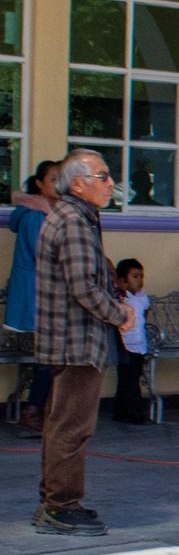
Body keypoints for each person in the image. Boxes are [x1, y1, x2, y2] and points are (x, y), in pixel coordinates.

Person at [32, 149, 132, 536]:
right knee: (71, 426)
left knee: (63, 424)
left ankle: (54, 502)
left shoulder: (74, 216)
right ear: (78, 183)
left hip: (70, 339)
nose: (110, 184)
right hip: (75, 341)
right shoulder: (73, 220)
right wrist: (120, 314)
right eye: (103, 176)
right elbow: (83, 287)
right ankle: (61, 506)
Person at [6, 159, 59, 438]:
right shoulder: (36, 216)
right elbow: (45, 257)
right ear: (40, 184)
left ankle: (40, 408)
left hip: (37, 293)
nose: (58, 185)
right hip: (38, 295)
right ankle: (35, 409)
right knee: (50, 356)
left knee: (49, 355)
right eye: (53, 179)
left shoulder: (39, 212)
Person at [112, 258, 150, 425]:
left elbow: (144, 314)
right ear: (123, 280)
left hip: (139, 343)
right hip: (125, 344)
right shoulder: (120, 299)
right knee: (128, 379)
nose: (139, 281)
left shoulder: (142, 298)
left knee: (133, 377)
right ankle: (134, 412)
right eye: (135, 276)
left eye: (141, 276)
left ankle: (121, 410)